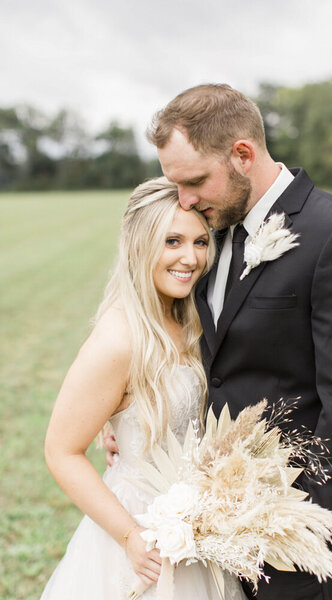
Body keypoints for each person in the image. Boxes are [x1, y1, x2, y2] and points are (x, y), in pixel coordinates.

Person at [144, 84, 332, 600]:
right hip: (213, 526)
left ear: (243, 154)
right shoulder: (209, 232)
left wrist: (303, 526)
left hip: (295, 536)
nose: (184, 200)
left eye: (193, 181)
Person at [41, 177, 247, 600]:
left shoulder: (193, 316)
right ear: (139, 245)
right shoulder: (118, 340)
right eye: (172, 241)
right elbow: (61, 451)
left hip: (202, 526)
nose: (190, 258)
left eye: (200, 242)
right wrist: (130, 536)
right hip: (141, 531)